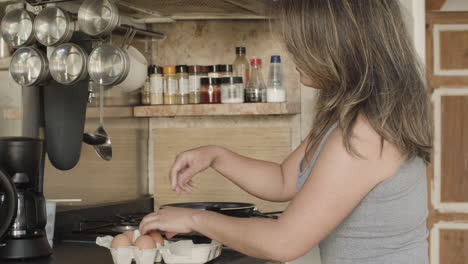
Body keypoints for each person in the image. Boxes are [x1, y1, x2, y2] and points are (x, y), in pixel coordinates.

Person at [139, 0, 433, 263]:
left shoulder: (365, 135)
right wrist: (216, 156)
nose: (292, 54)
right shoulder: (347, 118)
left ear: (335, 46)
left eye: (300, 44)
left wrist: (195, 218)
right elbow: (283, 180)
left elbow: (283, 243)